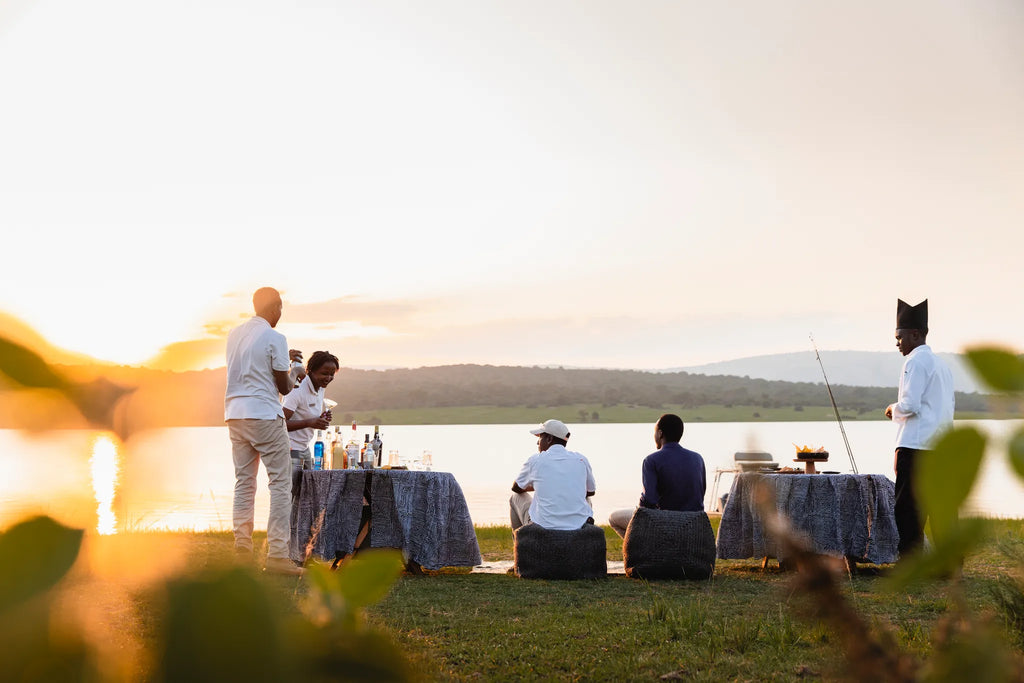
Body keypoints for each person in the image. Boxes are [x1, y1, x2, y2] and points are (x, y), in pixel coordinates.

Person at [224, 286, 304, 576]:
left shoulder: (234, 335)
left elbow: (253, 368)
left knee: (244, 483)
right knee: (280, 484)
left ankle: (243, 550)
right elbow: (284, 387)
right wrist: (296, 369)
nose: (280, 314)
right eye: (280, 309)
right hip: (265, 416)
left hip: (234, 415)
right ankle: (278, 557)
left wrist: (285, 361)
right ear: (275, 308)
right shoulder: (276, 337)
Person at [884, 298, 955, 556]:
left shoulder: (914, 361)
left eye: (899, 337)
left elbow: (910, 404)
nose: (897, 343)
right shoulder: (942, 366)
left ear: (915, 334)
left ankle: (910, 563)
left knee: (908, 509)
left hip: (915, 447)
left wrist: (893, 409)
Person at [608, 413, 706, 538]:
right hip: (694, 520)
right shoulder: (697, 458)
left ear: (660, 433)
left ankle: (640, 551)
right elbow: (701, 492)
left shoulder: (651, 460)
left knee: (614, 518)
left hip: (665, 521)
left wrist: (639, 507)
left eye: (654, 432)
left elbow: (649, 501)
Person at [510, 419, 596, 530]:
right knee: (587, 499)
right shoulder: (581, 459)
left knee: (515, 497)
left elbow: (516, 488)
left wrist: (542, 486)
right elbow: (591, 491)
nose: (537, 443)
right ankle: (583, 526)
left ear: (549, 439)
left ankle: (520, 542)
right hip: (577, 526)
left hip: (544, 527)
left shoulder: (536, 460)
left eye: (540, 437)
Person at [283, 350, 340, 478]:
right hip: (290, 449)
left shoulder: (320, 387)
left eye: (332, 374)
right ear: (310, 370)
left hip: (305, 448)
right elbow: (279, 424)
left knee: (306, 493)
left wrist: (319, 419)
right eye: (324, 373)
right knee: (289, 492)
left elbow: (306, 416)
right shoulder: (297, 390)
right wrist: (309, 423)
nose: (328, 378)